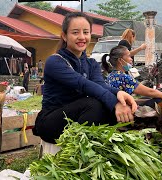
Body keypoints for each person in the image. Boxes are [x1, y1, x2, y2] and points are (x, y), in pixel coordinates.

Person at [33, 12, 137, 144]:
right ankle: (78, 151)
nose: (82, 37)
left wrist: (119, 94)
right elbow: (83, 84)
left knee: (111, 105)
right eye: (75, 32)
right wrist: (114, 102)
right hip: (52, 121)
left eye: (86, 32)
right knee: (94, 104)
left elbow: (100, 86)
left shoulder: (91, 63)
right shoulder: (54, 62)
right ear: (64, 36)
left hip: (78, 117)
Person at [102, 45, 162, 109]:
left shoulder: (111, 75)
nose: (131, 59)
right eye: (129, 56)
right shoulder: (123, 77)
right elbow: (150, 92)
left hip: (116, 108)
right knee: (158, 100)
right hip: (125, 110)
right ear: (120, 60)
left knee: (149, 100)